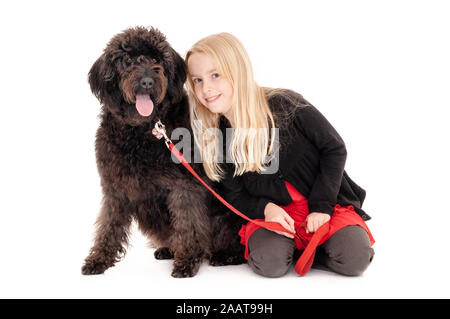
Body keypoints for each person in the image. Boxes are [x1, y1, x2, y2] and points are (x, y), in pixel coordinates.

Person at [184, 32, 375, 277]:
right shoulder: (218, 136)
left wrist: (322, 206)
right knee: (268, 263)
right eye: (197, 80)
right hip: (276, 215)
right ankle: (294, 250)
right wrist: (267, 209)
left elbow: (334, 148)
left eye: (215, 75)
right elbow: (235, 194)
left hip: (325, 204)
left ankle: (316, 249)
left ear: (237, 71)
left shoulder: (286, 104)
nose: (206, 88)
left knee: (355, 259)